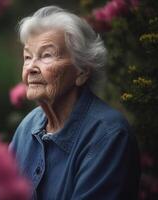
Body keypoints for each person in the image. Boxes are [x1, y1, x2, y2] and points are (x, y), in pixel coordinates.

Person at [9, 6, 140, 200]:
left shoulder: (108, 135)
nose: (31, 68)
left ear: (82, 71)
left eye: (46, 55)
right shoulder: (27, 127)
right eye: (28, 57)